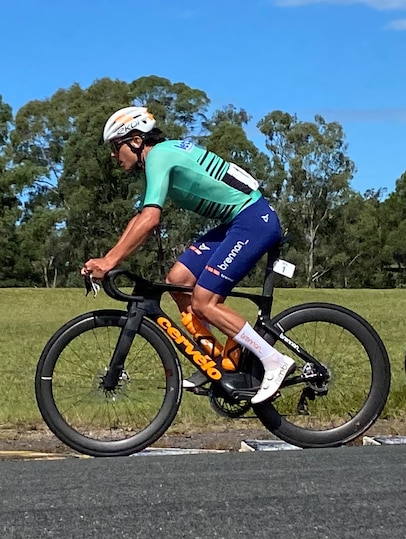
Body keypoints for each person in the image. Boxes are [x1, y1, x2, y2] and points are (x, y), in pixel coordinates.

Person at [82, 106, 294, 404]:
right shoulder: (159, 159)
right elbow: (140, 218)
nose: (114, 156)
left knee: (204, 302)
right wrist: (105, 258)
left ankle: (273, 360)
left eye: (115, 148)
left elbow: (151, 220)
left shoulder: (159, 156)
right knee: (178, 280)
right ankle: (220, 361)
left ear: (135, 140)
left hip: (252, 220)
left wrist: (110, 262)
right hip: (237, 222)